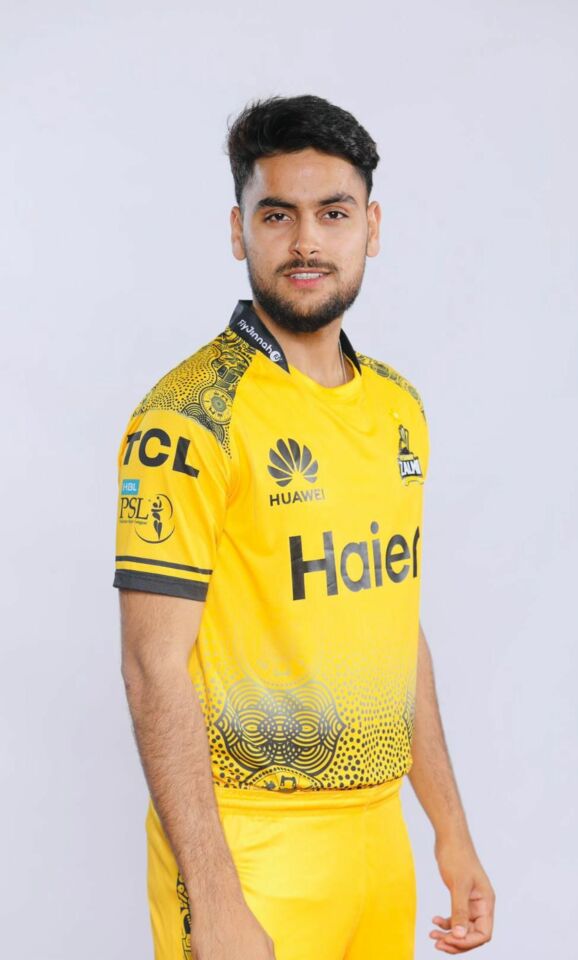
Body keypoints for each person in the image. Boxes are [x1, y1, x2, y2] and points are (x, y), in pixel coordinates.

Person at [114, 94, 495, 960]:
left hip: (379, 837)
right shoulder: (188, 416)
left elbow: (394, 625)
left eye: (334, 213)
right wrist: (214, 898)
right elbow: (150, 665)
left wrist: (450, 828)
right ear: (239, 230)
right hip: (250, 842)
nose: (307, 242)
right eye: (277, 214)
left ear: (372, 226)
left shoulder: (398, 407)